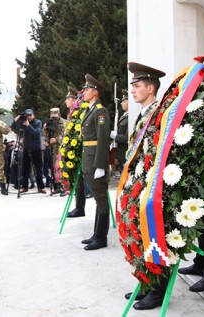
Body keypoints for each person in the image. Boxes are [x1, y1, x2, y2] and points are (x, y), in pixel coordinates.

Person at [123, 62, 170, 310]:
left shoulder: (159, 114)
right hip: (139, 184)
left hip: (151, 186)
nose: (133, 90)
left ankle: (157, 290)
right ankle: (146, 281)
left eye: (137, 86)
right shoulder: (144, 112)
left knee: (153, 235)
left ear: (151, 88)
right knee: (141, 236)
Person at [78, 74, 110, 251]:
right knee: (98, 199)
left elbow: (103, 139)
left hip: (94, 159)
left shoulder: (100, 111)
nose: (84, 92)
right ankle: (96, 234)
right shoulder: (90, 110)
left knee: (101, 198)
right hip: (88, 157)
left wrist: (100, 164)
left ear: (95, 92)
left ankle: (101, 238)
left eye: (87, 89)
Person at [63, 86, 88, 217]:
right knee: (77, 182)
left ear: (74, 100)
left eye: (68, 98)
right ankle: (79, 207)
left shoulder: (79, 112)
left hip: (79, 151)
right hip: (73, 151)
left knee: (80, 181)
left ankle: (80, 208)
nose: (66, 101)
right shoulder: (72, 113)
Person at [11, 108, 46, 194]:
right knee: (25, 169)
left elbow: (36, 134)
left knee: (38, 169)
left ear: (33, 115)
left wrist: (28, 125)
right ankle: (24, 187)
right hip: (25, 148)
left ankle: (41, 187)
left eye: (30, 115)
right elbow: (13, 128)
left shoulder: (38, 122)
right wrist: (15, 121)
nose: (29, 117)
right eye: (27, 115)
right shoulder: (22, 122)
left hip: (36, 149)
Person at [45, 107, 67, 195]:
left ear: (60, 115)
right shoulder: (50, 123)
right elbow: (46, 135)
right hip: (53, 149)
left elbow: (66, 135)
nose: (54, 119)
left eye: (56, 117)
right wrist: (45, 128)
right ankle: (57, 186)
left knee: (62, 167)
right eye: (53, 117)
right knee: (55, 167)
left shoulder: (64, 123)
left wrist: (57, 139)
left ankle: (64, 187)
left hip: (62, 148)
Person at [110, 89, 129, 171]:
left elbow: (127, 137)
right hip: (120, 154)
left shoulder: (130, 117)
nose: (121, 103)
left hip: (125, 153)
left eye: (124, 101)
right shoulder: (123, 116)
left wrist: (115, 136)